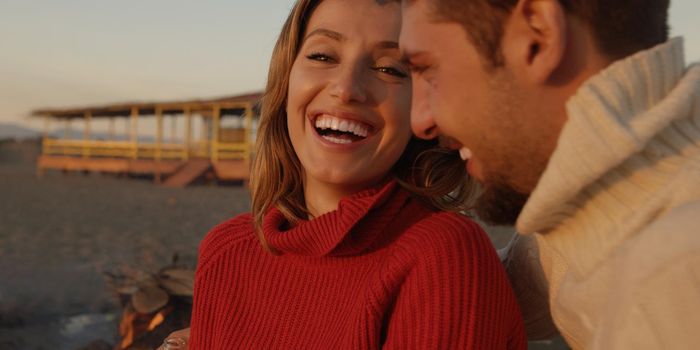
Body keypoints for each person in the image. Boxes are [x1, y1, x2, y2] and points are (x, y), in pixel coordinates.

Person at [160, 0, 527, 349]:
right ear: (286, 79)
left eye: (390, 69)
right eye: (322, 56)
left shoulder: (442, 256)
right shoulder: (225, 250)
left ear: (426, 104)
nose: (346, 88)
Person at [398, 0, 700, 348]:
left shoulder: (676, 272)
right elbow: (460, 299)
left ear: (538, 35)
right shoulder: (584, 228)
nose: (420, 121)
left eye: (428, 70)